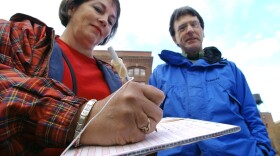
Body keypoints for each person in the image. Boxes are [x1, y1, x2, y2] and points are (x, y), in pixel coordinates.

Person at [0, 0, 165, 155]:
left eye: (111, 21)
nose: (104, 21)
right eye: (98, 9)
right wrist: (83, 118)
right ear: (72, 8)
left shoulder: (114, 77)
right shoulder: (25, 37)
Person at [149, 6, 275, 156]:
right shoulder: (159, 75)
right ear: (175, 38)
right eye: (182, 28)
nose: (190, 30)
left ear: (202, 31)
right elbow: (149, 124)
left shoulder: (230, 69)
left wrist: (264, 151)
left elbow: (252, 114)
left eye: (194, 24)